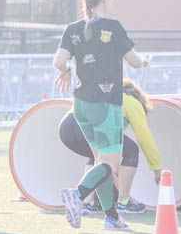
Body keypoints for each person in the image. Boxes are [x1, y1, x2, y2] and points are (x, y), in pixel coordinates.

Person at [54, 0, 149, 231]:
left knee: (101, 160)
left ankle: (112, 217)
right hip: (106, 106)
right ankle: (77, 194)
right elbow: (134, 61)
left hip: (80, 106)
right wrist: (144, 62)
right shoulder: (113, 27)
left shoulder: (72, 29)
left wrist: (66, 71)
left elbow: (59, 61)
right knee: (110, 163)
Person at [58, 79, 161, 213]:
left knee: (98, 156)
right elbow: (145, 138)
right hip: (86, 126)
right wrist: (156, 168)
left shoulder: (106, 93)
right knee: (131, 150)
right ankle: (123, 202)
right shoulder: (133, 102)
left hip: (66, 126)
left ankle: (89, 203)